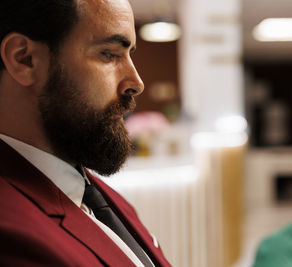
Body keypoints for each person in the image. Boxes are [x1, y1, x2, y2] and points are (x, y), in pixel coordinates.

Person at [0, 0, 171, 266]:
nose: (136, 83)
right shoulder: (11, 237)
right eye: (109, 54)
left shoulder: (94, 192)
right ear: (25, 59)